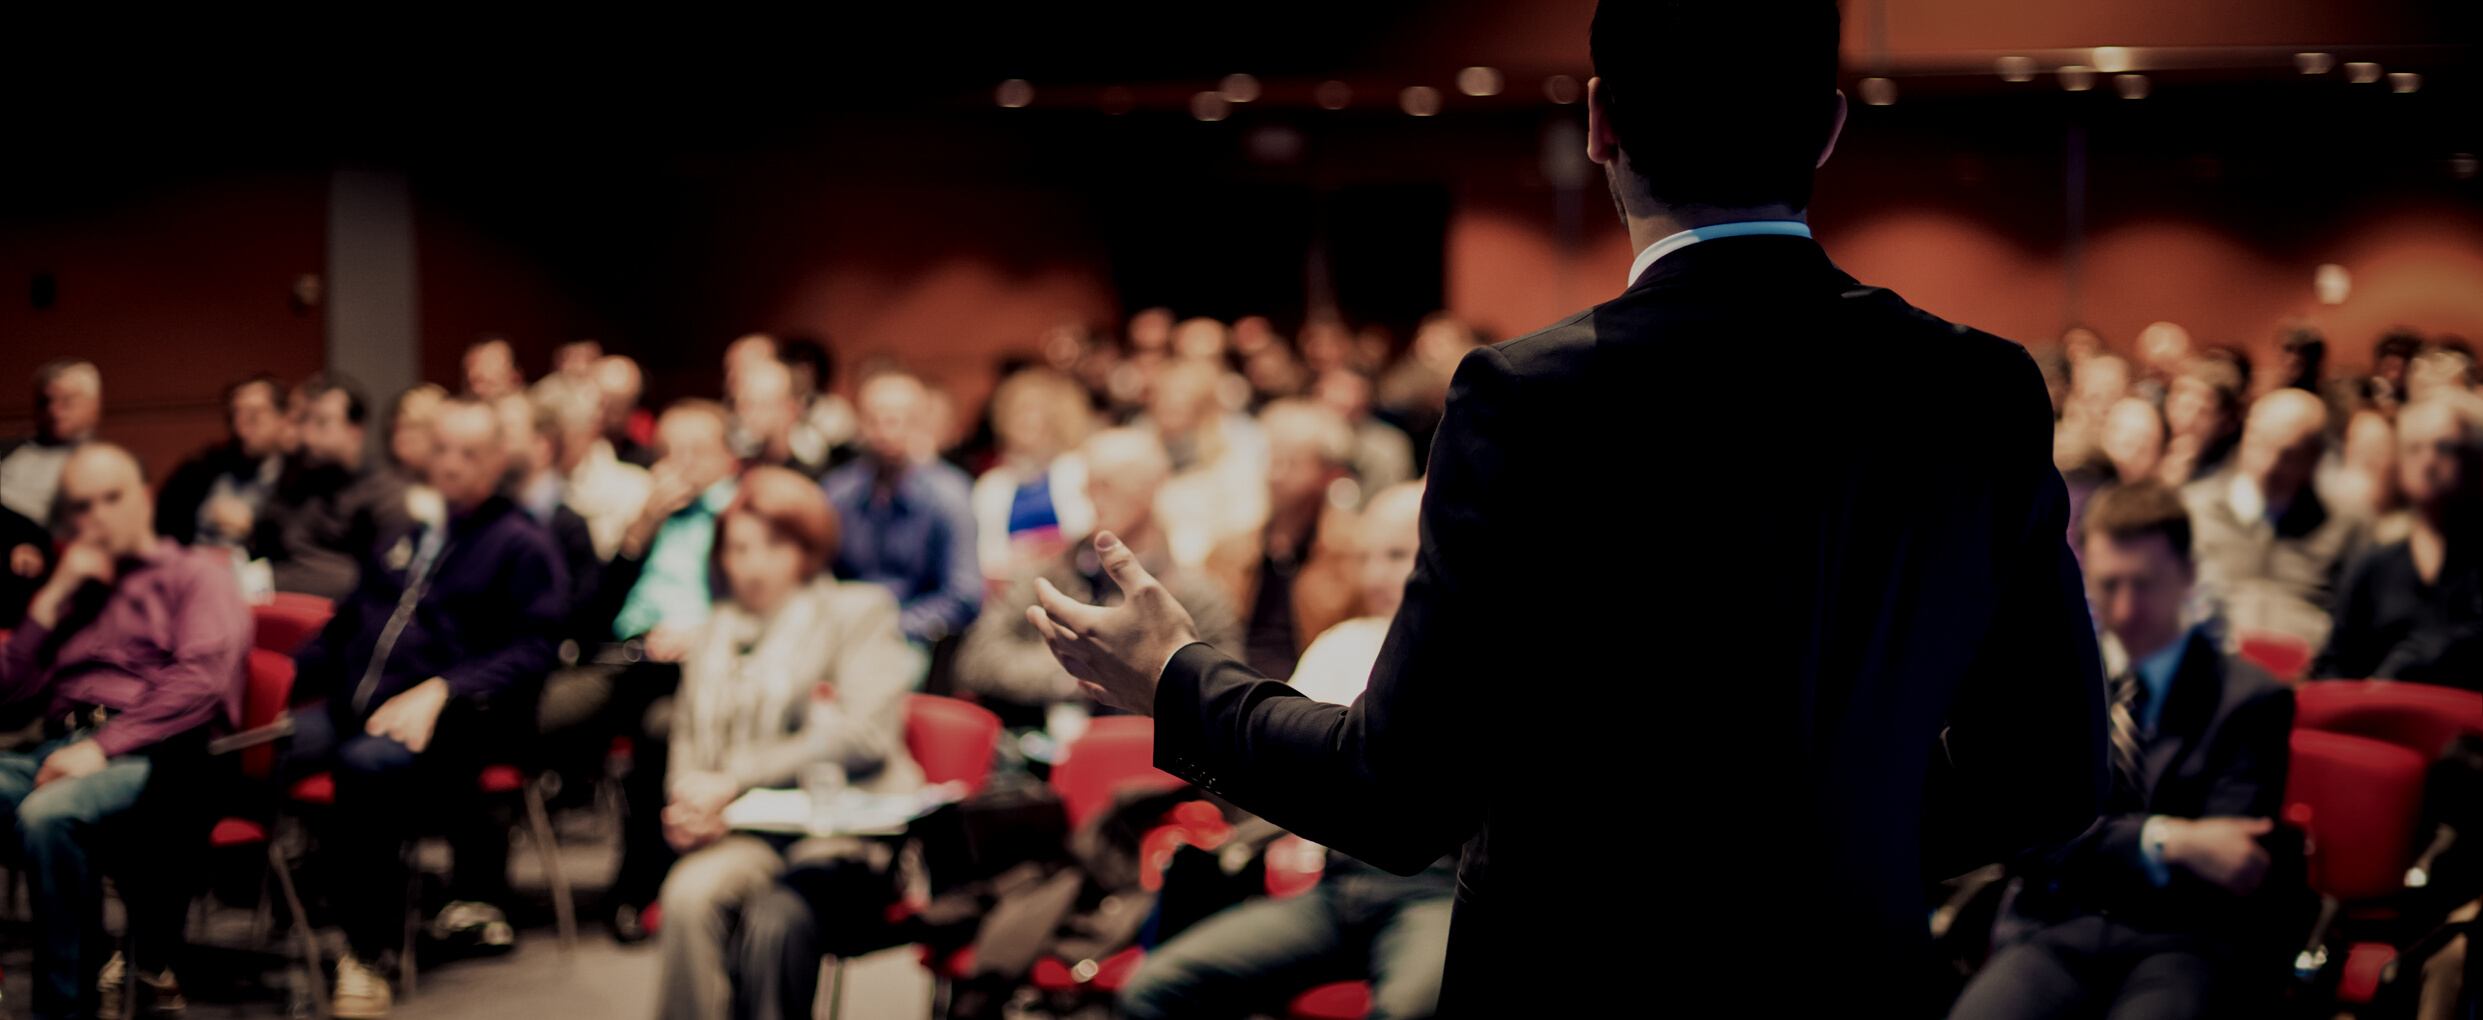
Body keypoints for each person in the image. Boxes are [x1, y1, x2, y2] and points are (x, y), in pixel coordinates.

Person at [1022, 4, 2108, 1012]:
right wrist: (1843, 844)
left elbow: (1395, 798)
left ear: (1597, 121)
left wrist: (1177, 680)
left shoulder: (1531, 400)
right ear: (1826, 130)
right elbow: (2052, 779)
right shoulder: (1976, 389)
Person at [1951, 481, 2300, 1020]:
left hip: (2181, 939)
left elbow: (2233, 862)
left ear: (2187, 574)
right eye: (2109, 585)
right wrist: (2168, 839)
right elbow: (2026, 840)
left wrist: (2085, 843)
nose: (2127, 607)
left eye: (2146, 585)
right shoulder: (2057, 685)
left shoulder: (2252, 698)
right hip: (2056, 924)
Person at [1120, 480, 1451, 1020]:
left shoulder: (1468, 660)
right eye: (1366, 557)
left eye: (1396, 555)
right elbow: (1275, 760)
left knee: (1406, 1012)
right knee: (1154, 988)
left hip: (1429, 890)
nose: (1375, 576)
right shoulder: (1343, 642)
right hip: (1338, 886)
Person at [288, 397, 568, 1018]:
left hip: (460, 724)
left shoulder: (522, 543)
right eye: (440, 450)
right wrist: (277, 678)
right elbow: (345, 628)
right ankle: (155, 956)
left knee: (367, 767)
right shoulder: (407, 534)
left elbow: (535, 650)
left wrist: (446, 689)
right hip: (352, 704)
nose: (450, 465)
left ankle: (367, 954)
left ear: (498, 462)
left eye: (468, 454)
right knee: (241, 752)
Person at [652, 466, 923, 1020]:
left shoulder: (856, 612)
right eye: (739, 549)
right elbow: (686, 739)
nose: (754, 565)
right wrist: (686, 803)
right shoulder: (715, 631)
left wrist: (734, 779)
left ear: (808, 548)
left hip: (840, 829)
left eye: (774, 546)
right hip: (744, 830)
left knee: (776, 917)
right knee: (687, 894)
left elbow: (862, 735)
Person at [0, 443, 249, 1020]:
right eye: (81, 507)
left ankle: (66, 1010)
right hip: (61, 742)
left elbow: (202, 680)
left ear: (142, 500)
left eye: (109, 500)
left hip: (158, 756)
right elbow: (10, 696)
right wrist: (55, 595)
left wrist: (100, 746)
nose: (96, 519)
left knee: (49, 815)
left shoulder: (196, 576)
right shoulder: (80, 589)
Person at [555, 398, 742, 938]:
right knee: (534, 713)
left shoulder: (744, 513)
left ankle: (640, 885)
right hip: (627, 659)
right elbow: (591, 617)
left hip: (705, 663)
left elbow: (763, 610)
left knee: (656, 730)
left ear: (729, 457)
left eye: (696, 452)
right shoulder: (647, 516)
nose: (679, 465)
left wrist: (701, 635)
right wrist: (640, 530)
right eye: (668, 453)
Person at [956, 428, 1241, 727]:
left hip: (1140, 759)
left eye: (1106, 485)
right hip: (1035, 750)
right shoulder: (1048, 574)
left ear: (1152, 485)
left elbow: (1220, 696)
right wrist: (1070, 671)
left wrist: (1125, 675)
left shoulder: (1194, 595)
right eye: (1087, 486)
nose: (1091, 498)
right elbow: (975, 660)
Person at [2181, 388, 2370, 650]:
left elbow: (2358, 626)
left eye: (2288, 455)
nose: (2269, 465)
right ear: (2247, 435)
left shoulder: (2346, 526)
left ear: (2315, 458)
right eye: (2262, 445)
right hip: (2215, 672)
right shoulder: (2194, 509)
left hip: (2306, 675)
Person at [2318, 394, 2483, 685]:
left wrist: (2395, 674)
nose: (2428, 461)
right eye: (2413, 449)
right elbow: (2336, 664)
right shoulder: (2374, 564)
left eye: (2446, 447)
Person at [820, 371, 982, 648]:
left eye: (899, 419)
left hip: (912, 636)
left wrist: (892, 627)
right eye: (874, 419)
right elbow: (817, 576)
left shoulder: (949, 495)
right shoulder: (836, 492)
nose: (887, 431)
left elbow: (964, 596)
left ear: (920, 424)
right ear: (859, 423)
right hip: (842, 630)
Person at [1205, 400, 1363, 682]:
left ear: (1329, 475)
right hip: (1235, 694)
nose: (1274, 474)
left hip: (1313, 700)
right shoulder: (1227, 551)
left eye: (1291, 463)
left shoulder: (1355, 552)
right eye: (1271, 459)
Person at [970, 367, 1097, 584]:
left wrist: (1036, 549)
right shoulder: (991, 485)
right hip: (1012, 587)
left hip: (1074, 581)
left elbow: (1086, 534)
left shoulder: (1077, 469)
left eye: (1037, 412)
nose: (1028, 420)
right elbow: (986, 557)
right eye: (1020, 412)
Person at [157, 374, 291, 548]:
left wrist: (253, 527)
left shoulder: (300, 476)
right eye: (234, 415)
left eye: (254, 416)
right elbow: (165, 531)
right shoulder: (200, 468)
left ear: (284, 419)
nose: (240, 428)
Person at [1, 358, 103, 532]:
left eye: (66, 400)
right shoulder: (6, 449)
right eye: (45, 401)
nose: (53, 410)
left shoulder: (106, 464)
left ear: (93, 406)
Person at [730, 357, 831, 480]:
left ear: (792, 410)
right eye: (744, 405)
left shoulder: (816, 474)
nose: (748, 415)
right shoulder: (738, 471)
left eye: (762, 405)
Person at [2158, 355, 2246, 487]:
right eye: (2180, 405)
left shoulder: (2235, 473)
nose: (2186, 421)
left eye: (2203, 412)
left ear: (2227, 424)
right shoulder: (2154, 443)